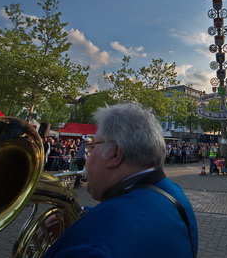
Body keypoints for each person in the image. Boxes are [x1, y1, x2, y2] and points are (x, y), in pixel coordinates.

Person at [44, 103, 198, 258]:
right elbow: (142, 219)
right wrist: (84, 215)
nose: (88, 159)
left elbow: (112, 233)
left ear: (115, 154)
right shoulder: (172, 191)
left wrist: (88, 227)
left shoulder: (94, 246)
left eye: (92, 147)